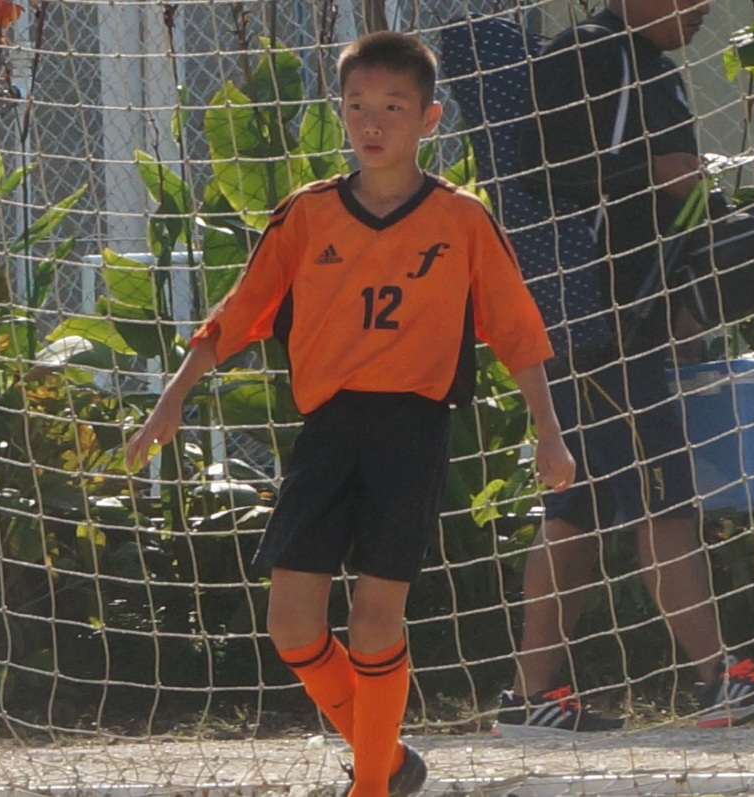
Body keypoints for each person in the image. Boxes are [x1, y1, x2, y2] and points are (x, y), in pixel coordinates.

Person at [126, 32, 578, 796]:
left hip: (412, 432)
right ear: (341, 111)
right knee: (291, 625)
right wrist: (172, 397)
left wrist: (550, 433)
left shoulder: (462, 219)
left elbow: (517, 329)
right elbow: (240, 309)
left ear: (429, 118)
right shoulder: (307, 214)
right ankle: (389, 760)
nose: (373, 122)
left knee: (373, 624)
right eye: (358, 105)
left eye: (393, 107)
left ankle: (371, 784)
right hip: (328, 432)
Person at [495, 0, 754, 734]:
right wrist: (654, 171)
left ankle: (530, 695)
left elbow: (666, 204)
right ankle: (719, 675)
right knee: (663, 497)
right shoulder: (592, 53)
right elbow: (541, 166)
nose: (701, 10)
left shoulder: (648, 65)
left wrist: (682, 304)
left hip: (631, 315)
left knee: (576, 509)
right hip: (599, 320)